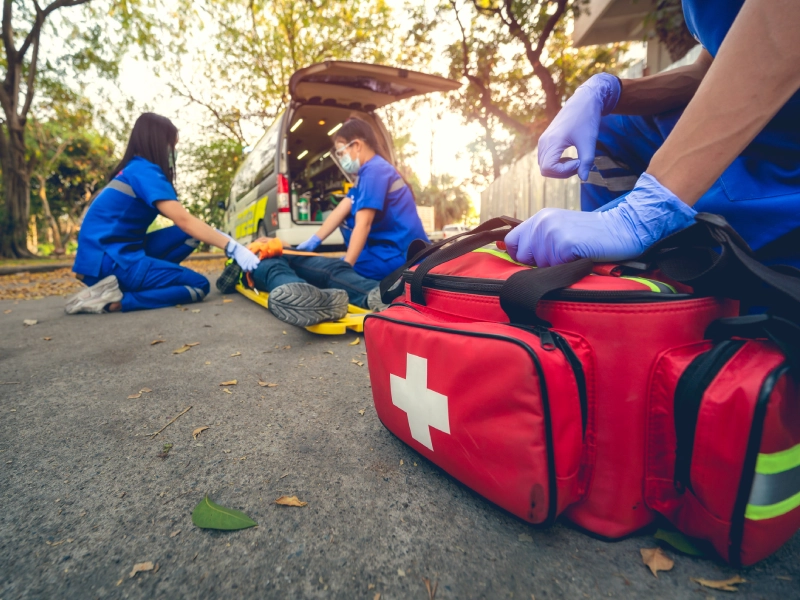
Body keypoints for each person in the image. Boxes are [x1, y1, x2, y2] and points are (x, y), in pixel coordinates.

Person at [504, 0, 800, 269]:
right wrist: (611, 92)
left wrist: (647, 209)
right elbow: (711, 65)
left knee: (696, 245)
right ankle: (616, 288)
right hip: (758, 137)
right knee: (608, 130)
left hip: (783, 158)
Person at [66, 113, 260, 314]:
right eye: (172, 145)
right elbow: (184, 220)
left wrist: (221, 238)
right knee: (198, 286)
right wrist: (233, 248)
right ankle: (117, 301)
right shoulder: (145, 172)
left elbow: (188, 225)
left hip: (104, 257)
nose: (173, 152)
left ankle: (147, 278)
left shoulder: (134, 169)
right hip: (111, 263)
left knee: (190, 235)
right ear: (159, 143)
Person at [250, 117, 428, 327]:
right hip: (388, 253)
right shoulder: (366, 175)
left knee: (328, 270)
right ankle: (323, 289)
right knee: (319, 265)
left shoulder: (375, 171)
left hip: (398, 256)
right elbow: (340, 211)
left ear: (357, 146)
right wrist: (311, 242)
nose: (341, 157)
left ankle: (326, 294)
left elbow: (364, 223)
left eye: (341, 151)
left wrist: (345, 265)